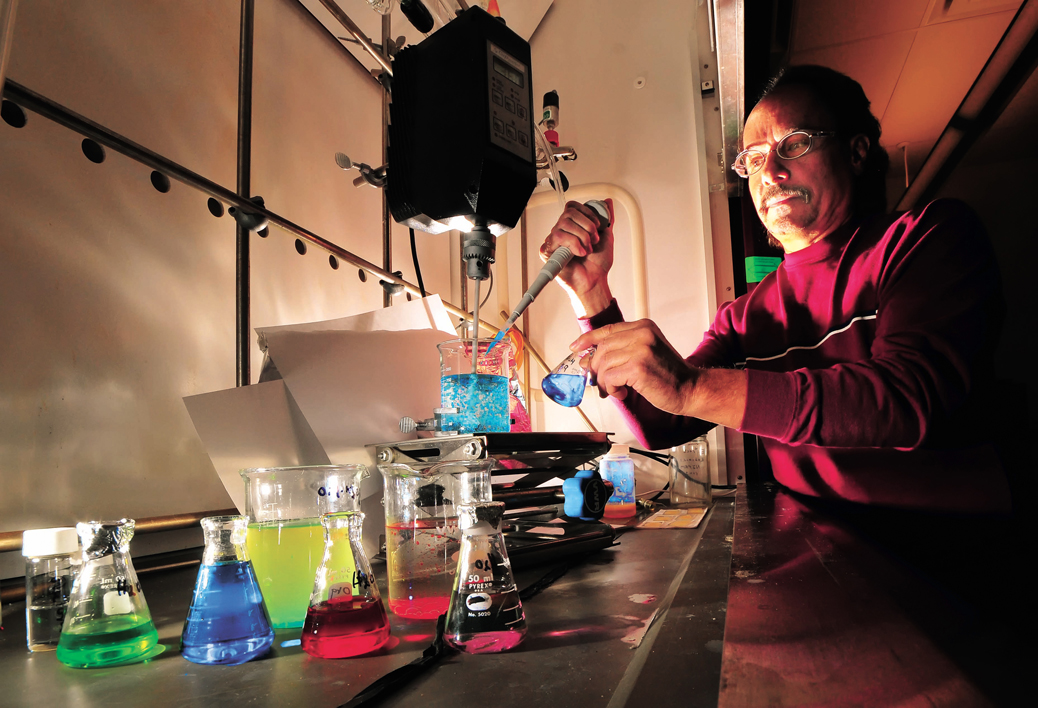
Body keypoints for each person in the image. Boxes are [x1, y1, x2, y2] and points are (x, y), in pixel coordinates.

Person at [541, 65, 1012, 516]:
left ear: (857, 151)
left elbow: (909, 399)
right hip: (820, 546)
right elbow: (666, 419)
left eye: (795, 144)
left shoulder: (925, 237)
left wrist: (695, 387)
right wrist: (593, 294)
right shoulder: (745, 316)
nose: (771, 173)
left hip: (955, 550)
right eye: (755, 159)